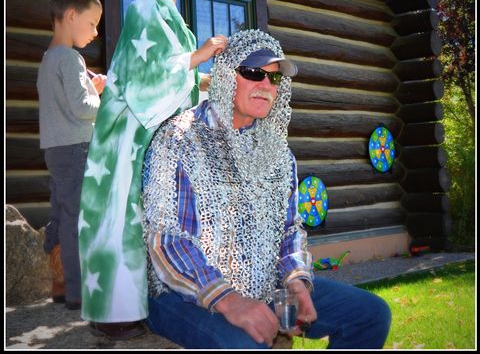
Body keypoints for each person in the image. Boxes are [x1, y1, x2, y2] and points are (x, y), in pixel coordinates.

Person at [142, 29, 392, 349]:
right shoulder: (179, 138)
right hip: (180, 295)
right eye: (252, 72)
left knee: (371, 314)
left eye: (273, 78)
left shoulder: (277, 153)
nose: (265, 85)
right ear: (225, 73)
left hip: (262, 285)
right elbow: (167, 240)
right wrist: (229, 300)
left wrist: (297, 281)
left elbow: (289, 230)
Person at [79, 0, 227, 339]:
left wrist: (214, 82)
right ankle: (114, 314)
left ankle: (141, 303)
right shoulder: (145, 8)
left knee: (143, 215)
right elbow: (151, 77)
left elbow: (176, 81)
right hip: (126, 138)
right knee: (119, 215)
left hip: (146, 137)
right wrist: (201, 57)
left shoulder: (171, 15)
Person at [37, 0, 106, 310]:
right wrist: (102, 98)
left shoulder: (49, 58)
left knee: (60, 212)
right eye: (92, 23)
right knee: (77, 216)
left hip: (54, 148)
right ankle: (78, 291)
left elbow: (65, 104)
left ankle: (60, 281)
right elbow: (82, 109)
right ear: (71, 15)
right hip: (76, 147)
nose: (95, 31)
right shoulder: (71, 58)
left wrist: (90, 88)